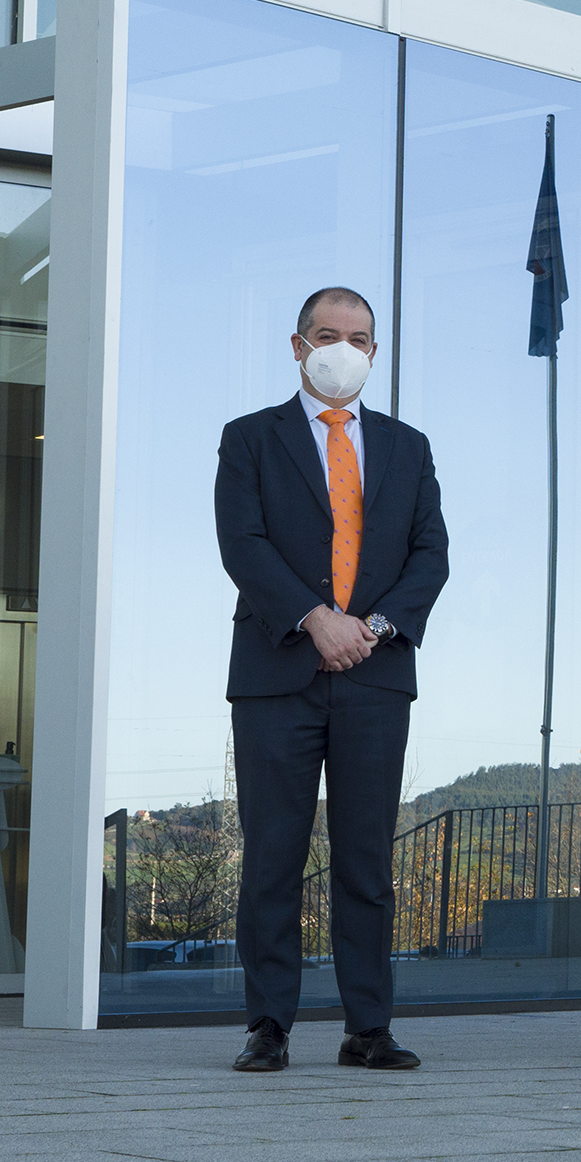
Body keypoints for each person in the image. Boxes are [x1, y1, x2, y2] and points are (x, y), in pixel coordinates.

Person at [214, 286, 448, 1074]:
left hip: (376, 679)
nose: (341, 348)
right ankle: (268, 1024)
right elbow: (242, 544)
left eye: (358, 337)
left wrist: (371, 628)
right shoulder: (249, 439)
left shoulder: (408, 447)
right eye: (326, 334)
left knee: (365, 861)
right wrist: (317, 619)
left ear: (374, 352)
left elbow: (431, 556)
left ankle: (367, 1028)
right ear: (297, 345)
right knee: (272, 856)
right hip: (278, 673)